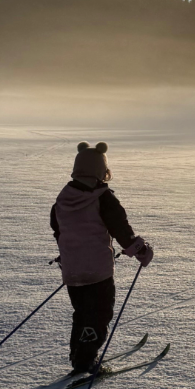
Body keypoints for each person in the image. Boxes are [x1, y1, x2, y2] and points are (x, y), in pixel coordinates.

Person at [50, 142, 153, 374]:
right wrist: (141, 251)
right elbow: (121, 230)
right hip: (98, 272)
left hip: (72, 271)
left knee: (82, 313)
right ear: (101, 170)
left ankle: (78, 356)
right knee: (99, 315)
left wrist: (70, 253)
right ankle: (86, 362)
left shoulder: (63, 198)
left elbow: (58, 229)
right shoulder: (103, 198)